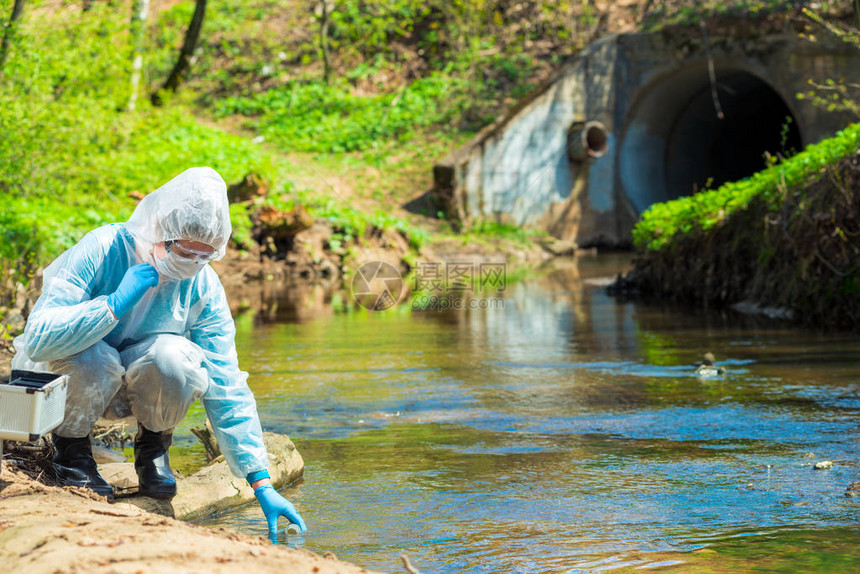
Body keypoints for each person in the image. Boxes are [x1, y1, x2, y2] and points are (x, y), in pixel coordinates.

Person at [11, 167, 306, 538]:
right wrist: (112, 306)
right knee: (93, 355)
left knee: (175, 357)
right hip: (72, 383)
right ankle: (73, 454)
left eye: (204, 256)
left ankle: (152, 450)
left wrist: (260, 481)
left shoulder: (203, 286)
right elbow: (40, 339)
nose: (191, 265)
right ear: (158, 229)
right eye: (184, 251)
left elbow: (226, 382)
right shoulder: (103, 249)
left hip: (140, 390)